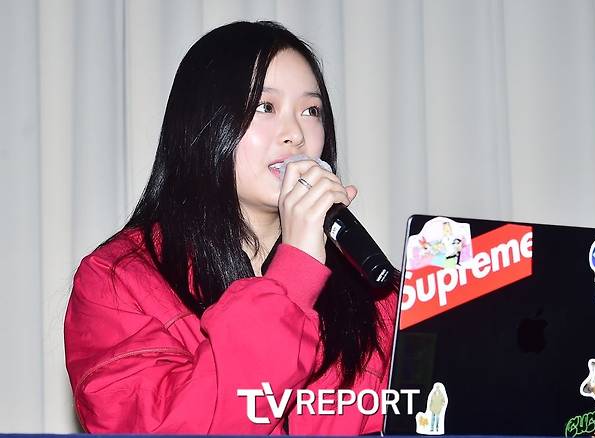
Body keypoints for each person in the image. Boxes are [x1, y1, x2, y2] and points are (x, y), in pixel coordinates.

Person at [64, 21, 397, 434]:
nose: (295, 134)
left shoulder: (371, 294)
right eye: (265, 107)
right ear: (204, 123)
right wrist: (295, 274)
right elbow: (180, 425)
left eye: (311, 111)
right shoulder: (118, 282)